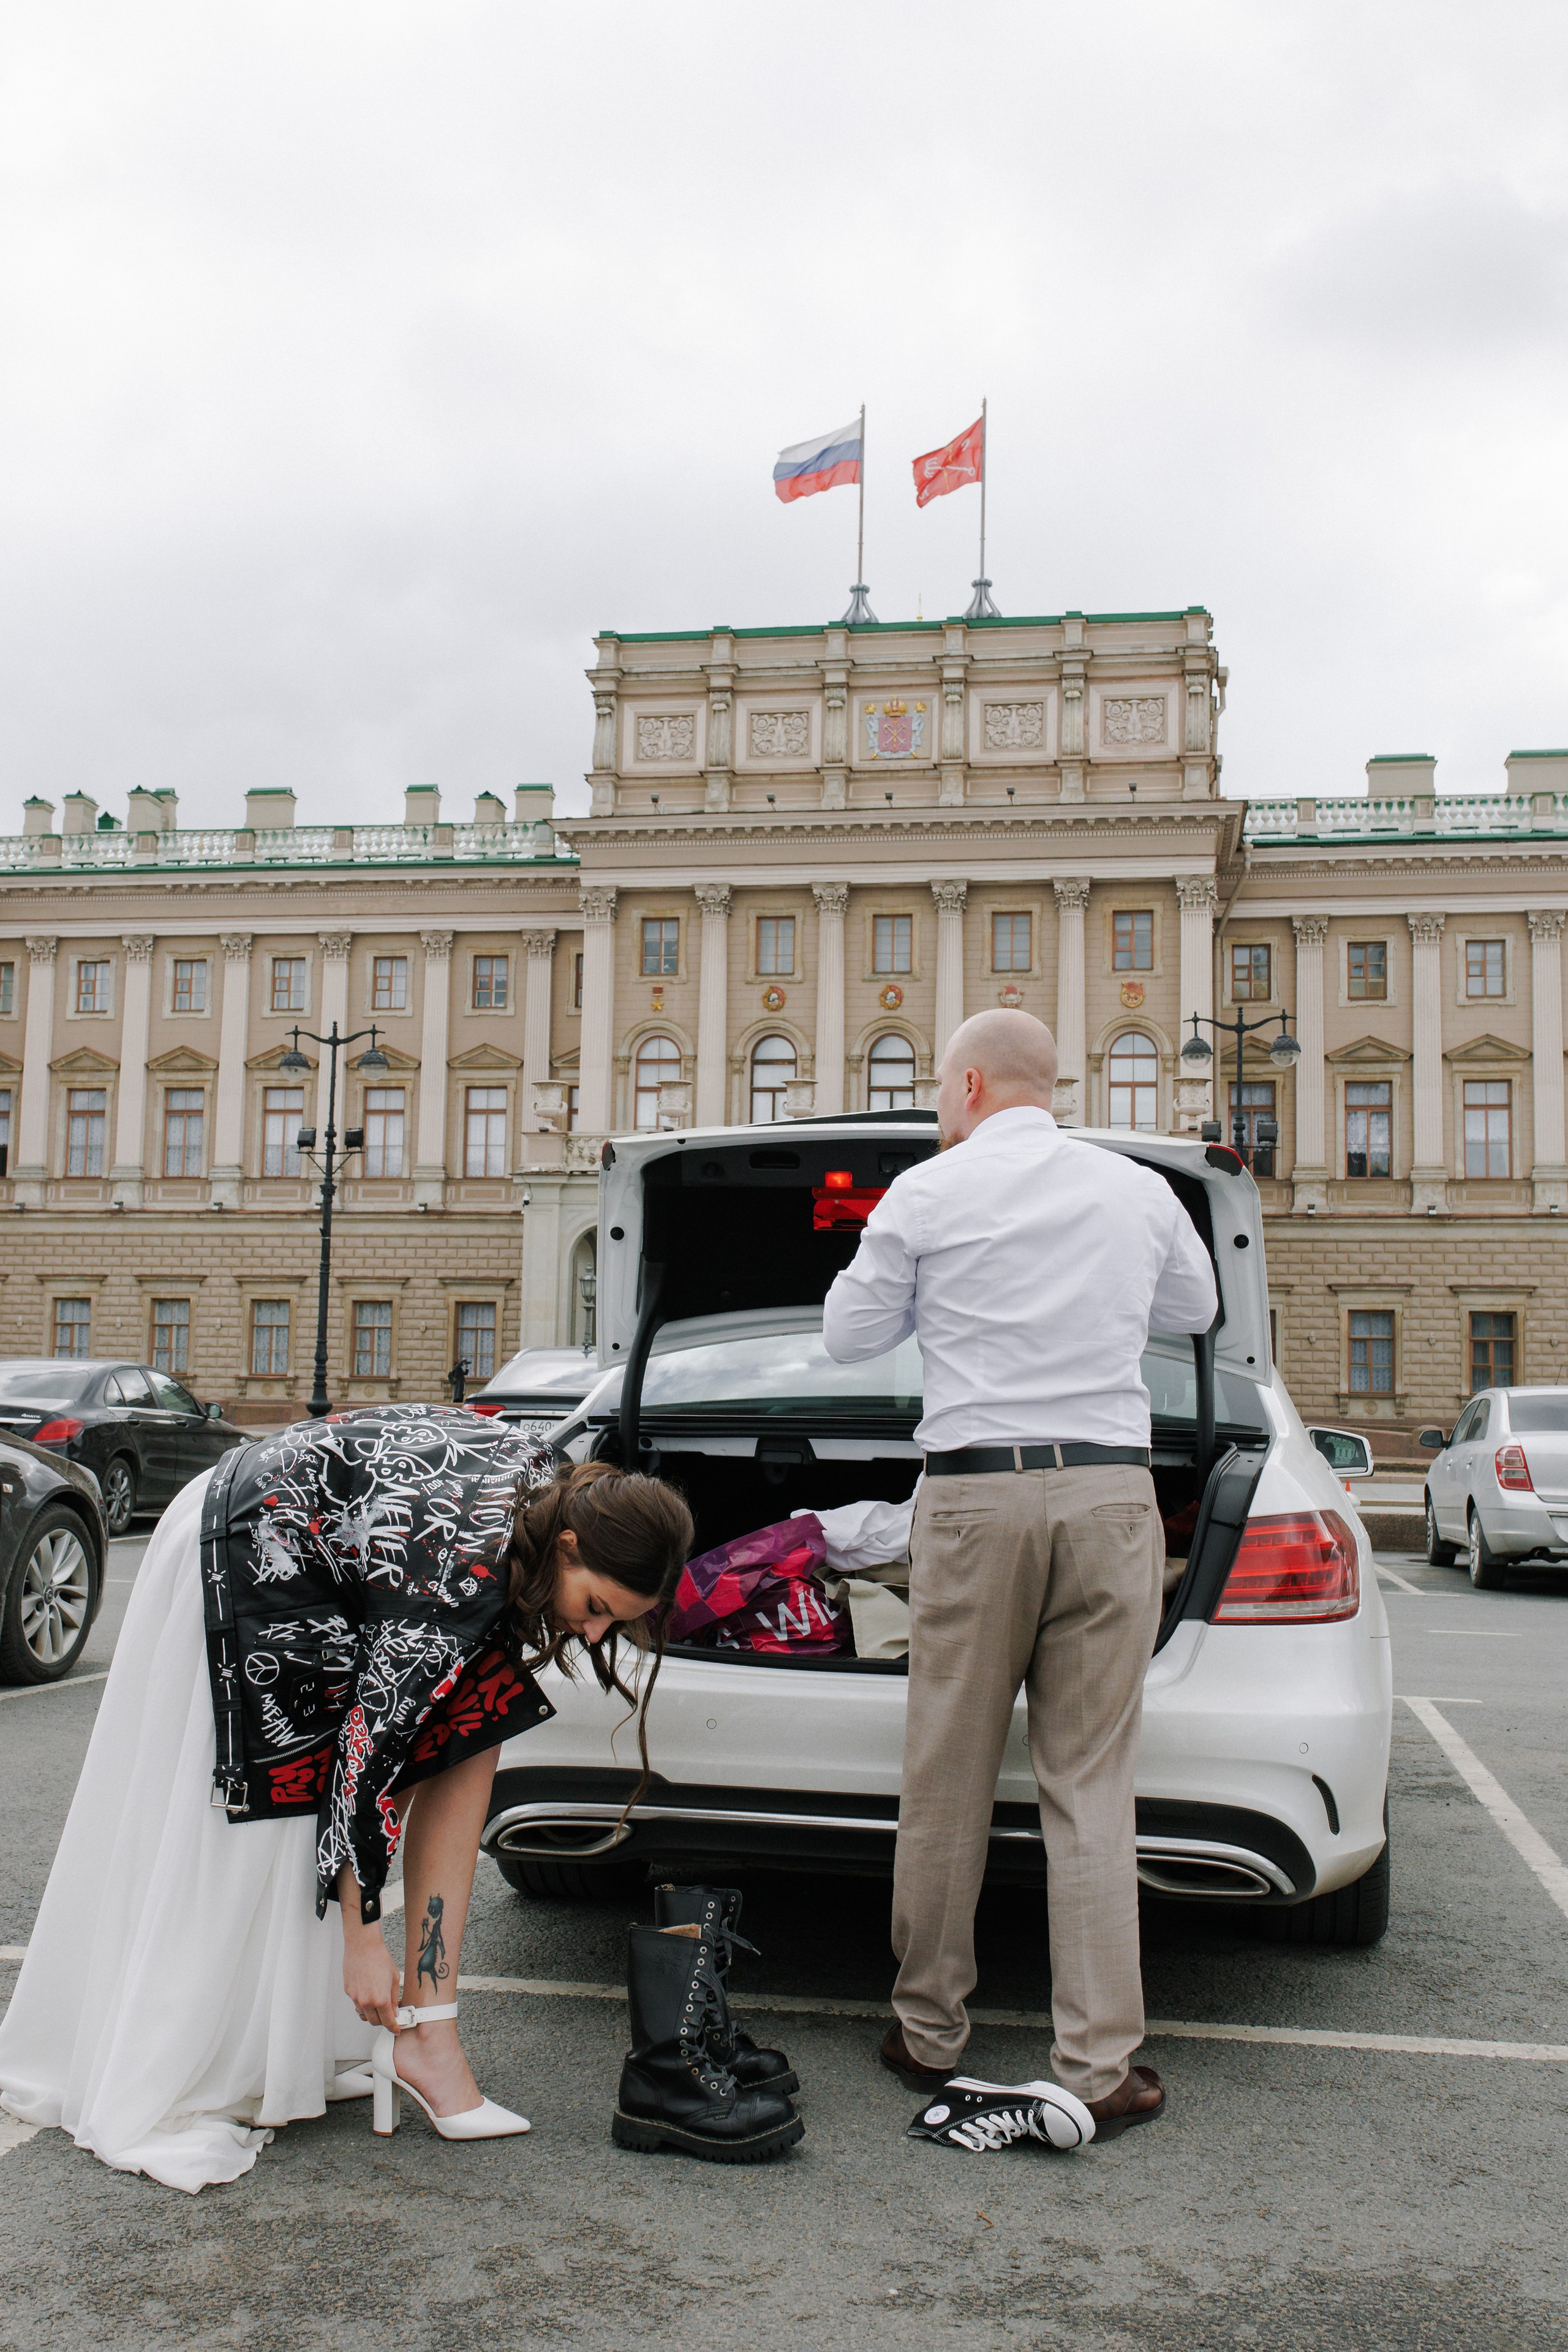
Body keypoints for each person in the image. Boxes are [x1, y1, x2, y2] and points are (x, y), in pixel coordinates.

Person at [0, 1403, 691, 2190]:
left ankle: (429, 2034)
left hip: (340, 1528)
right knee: (273, 1805)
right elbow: (368, 1763)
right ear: (566, 1545)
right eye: (596, 1609)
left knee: (479, 1719)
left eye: (614, 1626)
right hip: (250, 1532)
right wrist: (363, 1941)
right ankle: (190, 2049)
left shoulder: (549, 1507)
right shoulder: (455, 1583)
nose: (594, 1638)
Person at [821, 1009, 1216, 2133]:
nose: (943, 1107)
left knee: (947, 1766)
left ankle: (927, 2029)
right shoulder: (1137, 1188)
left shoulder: (929, 1192)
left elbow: (849, 1338)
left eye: (944, 1090)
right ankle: (1100, 2064)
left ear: (974, 1086)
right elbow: (1197, 1309)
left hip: (974, 1496)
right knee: (1088, 1782)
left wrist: (927, 1289)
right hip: (1107, 1494)